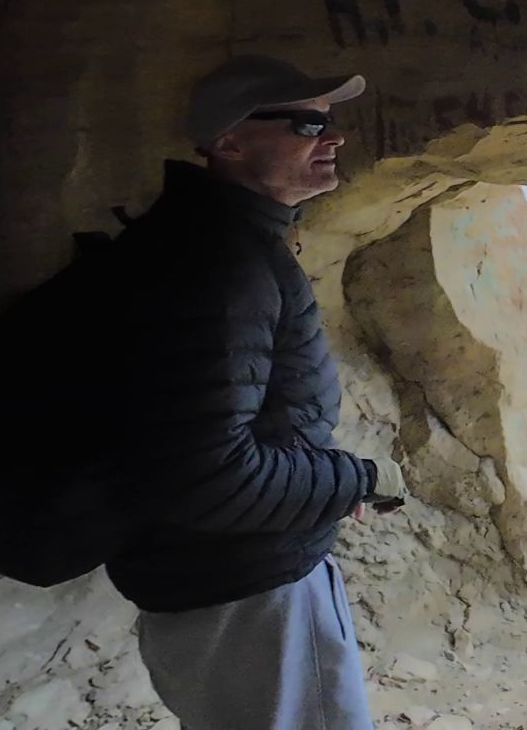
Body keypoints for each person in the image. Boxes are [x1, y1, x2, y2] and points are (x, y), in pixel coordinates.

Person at [103, 55, 407, 730]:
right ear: (229, 142)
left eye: (329, 122)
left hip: (228, 574)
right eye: (306, 123)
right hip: (244, 587)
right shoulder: (217, 268)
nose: (332, 137)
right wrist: (349, 480)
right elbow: (207, 474)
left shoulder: (222, 241)